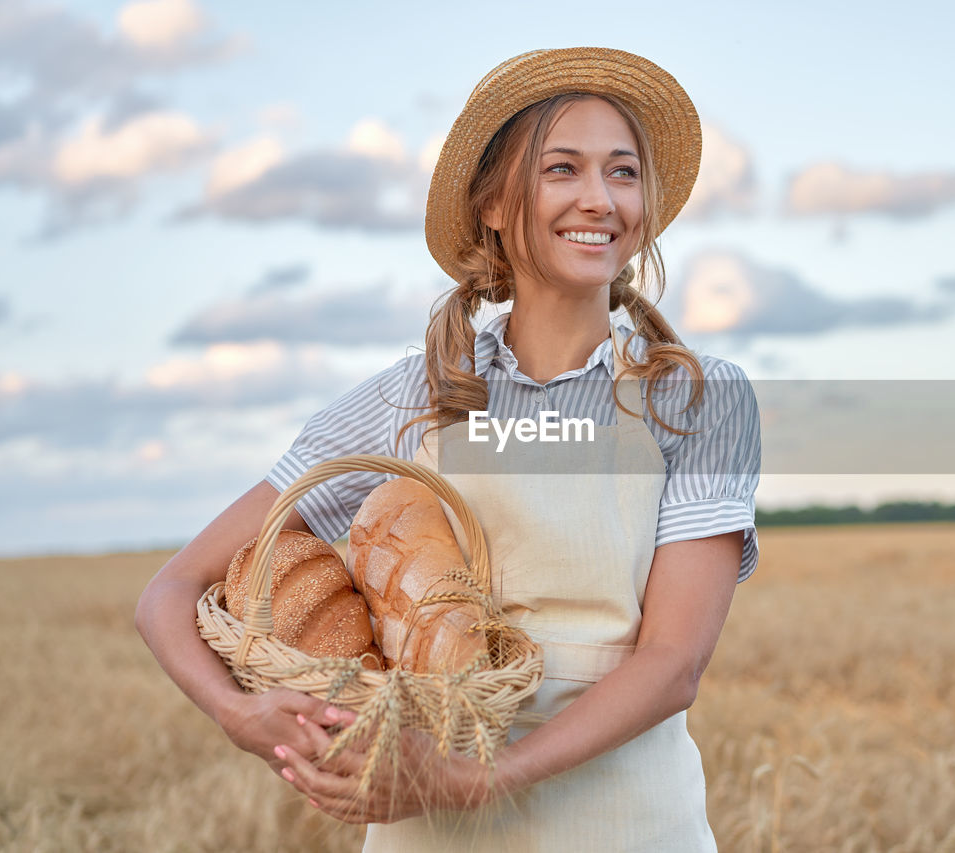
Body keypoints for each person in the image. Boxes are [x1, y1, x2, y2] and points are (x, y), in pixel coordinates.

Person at [136, 47, 760, 851]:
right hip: (425, 826)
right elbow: (172, 589)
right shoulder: (408, 397)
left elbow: (673, 662)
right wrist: (237, 712)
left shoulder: (699, 398)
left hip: (628, 823)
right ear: (496, 203)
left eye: (624, 172)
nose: (600, 200)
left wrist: (476, 779)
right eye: (562, 169)